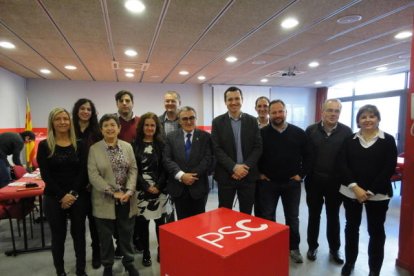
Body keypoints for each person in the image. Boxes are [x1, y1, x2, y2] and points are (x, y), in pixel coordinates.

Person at [339, 105, 397, 276]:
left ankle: (374, 270)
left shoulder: (388, 140)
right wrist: (355, 188)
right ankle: (349, 263)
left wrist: (370, 191)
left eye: (372, 116)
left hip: (378, 194)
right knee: (351, 228)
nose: (368, 120)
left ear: (378, 119)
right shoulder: (350, 140)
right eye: (363, 117)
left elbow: (388, 168)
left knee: (376, 231)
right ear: (358, 121)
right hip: (351, 192)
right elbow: (342, 164)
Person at [37, 108, 88, 276]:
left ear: (70, 121)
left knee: (79, 235)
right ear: (52, 122)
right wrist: (62, 195)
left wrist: (72, 193)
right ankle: (60, 271)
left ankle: (81, 270)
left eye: (65, 118)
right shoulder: (44, 146)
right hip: (53, 197)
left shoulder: (79, 144)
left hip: (78, 195)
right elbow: (46, 175)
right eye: (58, 119)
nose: (62, 122)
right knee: (58, 236)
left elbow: (83, 172)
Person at [257, 99, 309, 264]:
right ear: (269, 114)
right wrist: (259, 173)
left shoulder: (299, 133)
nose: (277, 115)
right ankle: (271, 247)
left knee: (292, 218)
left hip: (291, 184)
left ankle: (293, 248)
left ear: (286, 112)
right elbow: (254, 154)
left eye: (281, 112)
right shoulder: (262, 134)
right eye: (274, 112)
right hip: (268, 183)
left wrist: (301, 174)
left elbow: (309, 157)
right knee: (268, 216)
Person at [88, 114, 139, 276]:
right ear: (101, 129)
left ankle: (129, 262)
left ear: (119, 128)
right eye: (106, 126)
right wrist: (113, 192)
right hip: (104, 199)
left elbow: (133, 169)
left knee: (126, 234)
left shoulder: (127, 147)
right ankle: (108, 265)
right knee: (105, 237)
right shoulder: (94, 149)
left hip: (126, 199)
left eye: (113, 125)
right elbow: (93, 175)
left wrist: (129, 191)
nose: (110, 128)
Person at [305, 99, 352, 264]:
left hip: (335, 183)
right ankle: (312, 246)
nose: (333, 114)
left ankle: (335, 249)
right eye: (330, 110)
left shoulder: (347, 132)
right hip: (314, 181)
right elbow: (305, 155)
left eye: (336, 111)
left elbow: (349, 159)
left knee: (333, 217)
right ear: (322, 111)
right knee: (314, 215)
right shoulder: (310, 130)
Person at [211, 86, 262, 215]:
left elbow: (258, 147)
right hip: (226, 176)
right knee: (224, 213)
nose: (234, 102)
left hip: (247, 175)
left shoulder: (252, 121)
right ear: (225, 102)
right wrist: (234, 167)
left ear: (242, 100)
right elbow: (217, 149)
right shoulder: (217, 122)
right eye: (230, 99)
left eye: (237, 98)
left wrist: (244, 167)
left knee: (246, 214)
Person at [163, 106, 212, 219]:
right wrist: (182, 175)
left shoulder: (205, 137)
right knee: (182, 223)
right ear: (179, 121)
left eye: (192, 118)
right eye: (185, 119)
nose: (189, 121)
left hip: (198, 186)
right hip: (178, 187)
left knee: (199, 223)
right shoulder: (171, 137)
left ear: (196, 119)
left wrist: (192, 176)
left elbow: (208, 158)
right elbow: (167, 159)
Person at [72, 98, 103, 269]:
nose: (85, 112)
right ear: (77, 110)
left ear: (92, 113)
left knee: (95, 224)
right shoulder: (69, 129)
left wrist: (94, 181)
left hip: (93, 185)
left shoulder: (97, 132)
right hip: (75, 185)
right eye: (82, 108)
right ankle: (80, 259)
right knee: (77, 227)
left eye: (89, 109)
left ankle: (96, 254)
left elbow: (101, 159)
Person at [133, 112, 167, 267]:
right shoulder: (134, 145)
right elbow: (133, 170)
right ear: (142, 127)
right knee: (142, 224)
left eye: (152, 125)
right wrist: (146, 186)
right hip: (141, 191)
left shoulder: (163, 145)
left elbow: (166, 168)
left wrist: (158, 186)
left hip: (160, 190)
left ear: (156, 127)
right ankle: (146, 252)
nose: (149, 128)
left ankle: (162, 250)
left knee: (161, 223)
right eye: (146, 125)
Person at [253, 96, 270, 217]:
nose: (262, 109)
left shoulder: (276, 125)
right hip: (254, 173)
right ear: (255, 108)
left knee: (269, 209)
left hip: (271, 176)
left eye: (265, 106)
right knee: (257, 207)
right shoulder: (250, 124)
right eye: (259, 106)